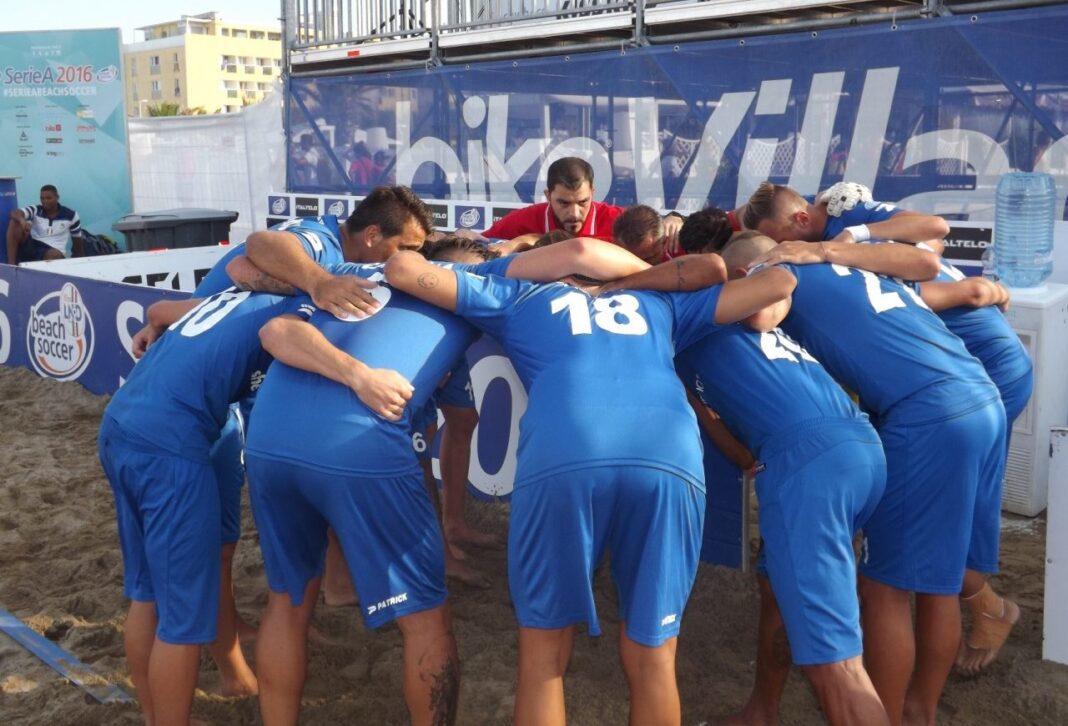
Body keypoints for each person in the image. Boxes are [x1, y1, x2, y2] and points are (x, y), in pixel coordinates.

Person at [246, 236, 671, 725]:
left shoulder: (355, 271)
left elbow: (268, 308)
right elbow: (577, 255)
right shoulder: (480, 281)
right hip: (359, 440)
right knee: (426, 622)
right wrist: (650, 279)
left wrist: (318, 285)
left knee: (288, 601)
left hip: (269, 439)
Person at [384, 245, 797, 726]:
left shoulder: (517, 296)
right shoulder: (662, 301)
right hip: (668, 454)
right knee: (655, 657)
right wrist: (642, 279)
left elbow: (404, 269)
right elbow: (779, 282)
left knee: (542, 658)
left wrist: (510, 265)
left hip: (565, 451)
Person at [601, 231, 890, 724]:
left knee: (836, 665)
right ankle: (763, 709)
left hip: (807, 463)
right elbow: (727, 438)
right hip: (858, 448)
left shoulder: (694, 313)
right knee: (779, 591)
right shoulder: (766, 323)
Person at [731, 218, 1005, 726]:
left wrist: (745, 283)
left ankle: (894, 714)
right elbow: (926, 259)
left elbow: (761, 316)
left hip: (926, 414)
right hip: (980, 394)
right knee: (938, 581)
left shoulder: (777, 270)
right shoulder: (848, 265)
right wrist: (835, 249)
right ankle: (919, 708)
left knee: (885, 588)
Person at [97, 287, 314, 725]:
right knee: (181, 618)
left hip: (126, 422)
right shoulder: (301, 301)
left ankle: (165, 708)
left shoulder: (241, 292)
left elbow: (160, 310)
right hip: (176, 440)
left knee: (149, 592)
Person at [464, 156, 684, 244]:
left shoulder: (617, 219)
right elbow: (481, 243)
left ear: (593, 192)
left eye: (583, 202)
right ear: (548, 196)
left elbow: (656, 229)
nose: (575, 213)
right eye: (564, 203)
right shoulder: (522, 220)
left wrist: (675, 218)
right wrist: (464, 238)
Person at [6, 184, 84, 264]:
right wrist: (22, 221)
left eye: (48, 198)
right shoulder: (36, 210)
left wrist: (80, 261)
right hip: (33, 245)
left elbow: (77, 241)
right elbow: (15, 212)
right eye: (42, 198)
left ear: (57, 197)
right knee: (15, 222)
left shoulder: (71, 215)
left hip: (53, 250)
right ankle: (11, 265)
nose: (45, 201)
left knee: (53, 255)